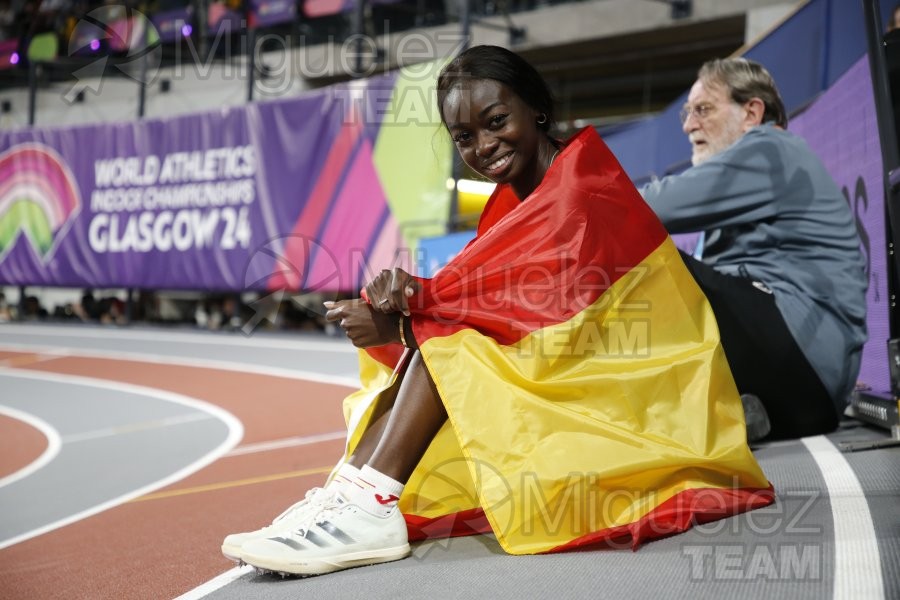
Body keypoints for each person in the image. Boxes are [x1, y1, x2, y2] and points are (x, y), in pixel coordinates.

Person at [223, 45, 773, 577]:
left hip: (643, 390)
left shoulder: (582, 185)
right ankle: (350, 491)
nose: (483, 145)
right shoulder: (516, 195)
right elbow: (488, 286)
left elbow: (510, 300)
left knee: (449, 340)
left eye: (495, 121)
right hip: (589, 368)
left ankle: (370, 502)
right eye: (464, 136)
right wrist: (407, 302)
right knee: (434, 337)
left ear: (537, 110)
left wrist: (413, 309)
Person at [639, 58, 867, 441]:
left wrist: (572, 200)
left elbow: (649, 209)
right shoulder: (737, 197)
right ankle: (731, 413)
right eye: (686, 112)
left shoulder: (771, 148)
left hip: (804, 360)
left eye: (703, 109)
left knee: (642, 256)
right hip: (806, 397)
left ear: (751, 112)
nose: (688, 124)